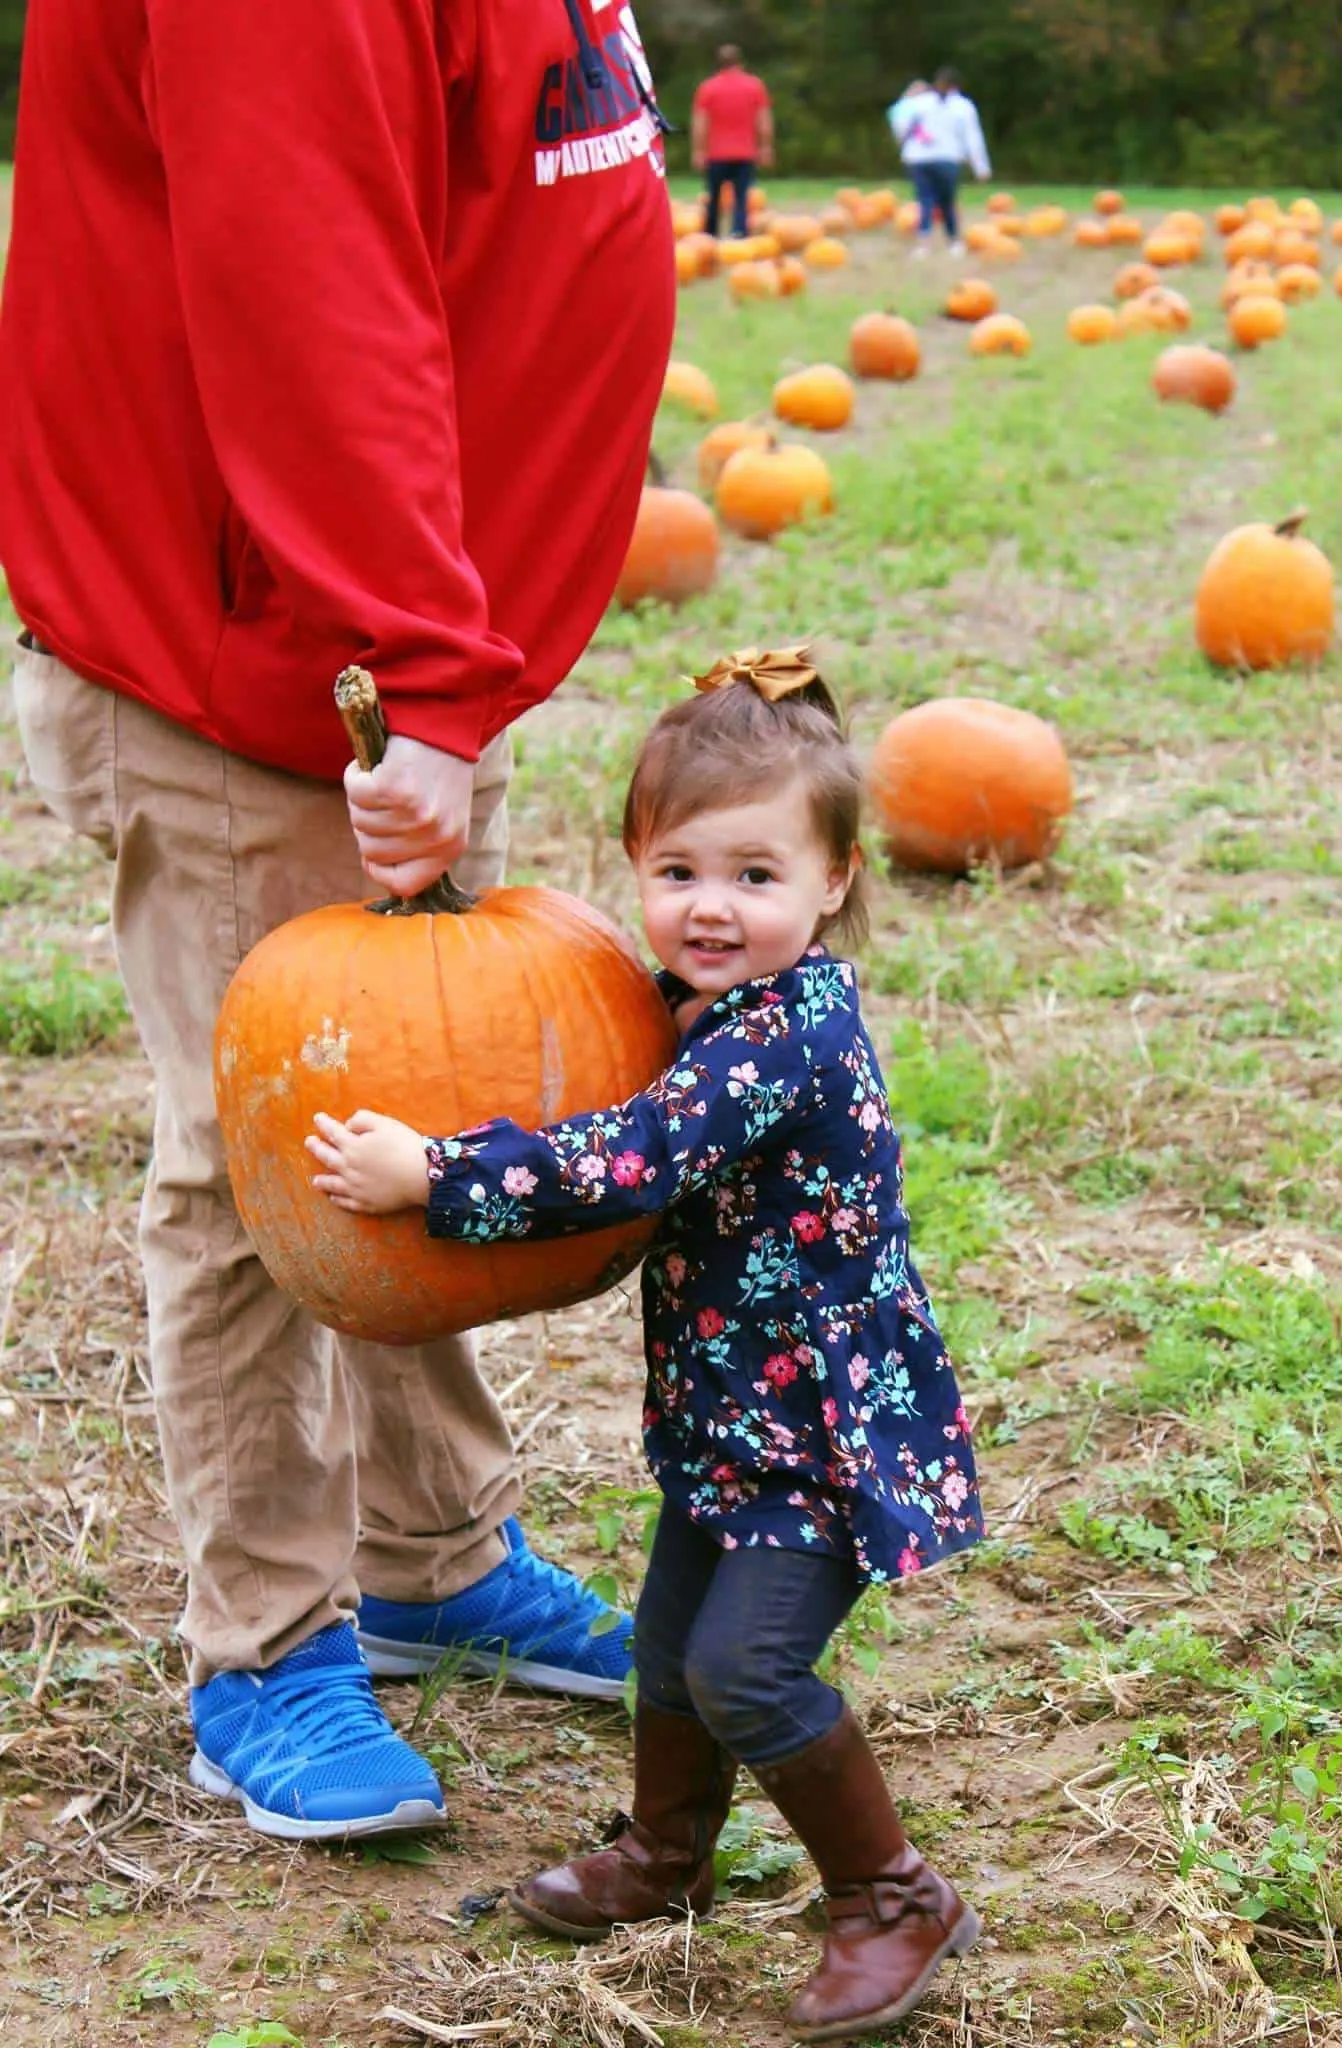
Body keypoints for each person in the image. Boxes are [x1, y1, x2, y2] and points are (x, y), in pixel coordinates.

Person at [0, 0, 675, 1841]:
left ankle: (435, 1557)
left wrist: (467, 640)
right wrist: (431, 663)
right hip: (280, 651)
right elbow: (302, 279)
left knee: (415, 1098)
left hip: (397, 624)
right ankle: (266, 1644)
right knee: (263, 1162)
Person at [307, 650, 985, 2042]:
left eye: (755, 876)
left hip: (820, 1436)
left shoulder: (787, 1033)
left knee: (746, 1670)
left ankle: (891, 1895)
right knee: (670, 1656)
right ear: (633, 864)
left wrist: (439, 1174)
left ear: (835, 883)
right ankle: (667, 1856)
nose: (713, 908)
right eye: (679, 872)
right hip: (727, 1419)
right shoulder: (690, 1012)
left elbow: (637, 1156)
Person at [888, 66, 991, 257]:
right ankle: (953, 242)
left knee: (925, 200)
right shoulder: (963, 106)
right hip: (947, 158)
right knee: (946, 201)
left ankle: (924, 244)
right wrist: (981, 167)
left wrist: (903, 144)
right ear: (956, 86)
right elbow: (973, 137)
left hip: (919, 158)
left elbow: (901, 120)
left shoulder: (920, 102)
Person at [691, 44, 774, 240]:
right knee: (741, 197)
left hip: (716, 154)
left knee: (713, 197)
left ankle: (710, 235)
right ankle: (739, 233)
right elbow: (763, 121)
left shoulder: (708, 88)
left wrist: (698, 151)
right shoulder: (755, 86)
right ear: (740, 62)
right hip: (744, 152)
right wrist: (765, 147)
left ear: (718, 64)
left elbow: (700, 123)